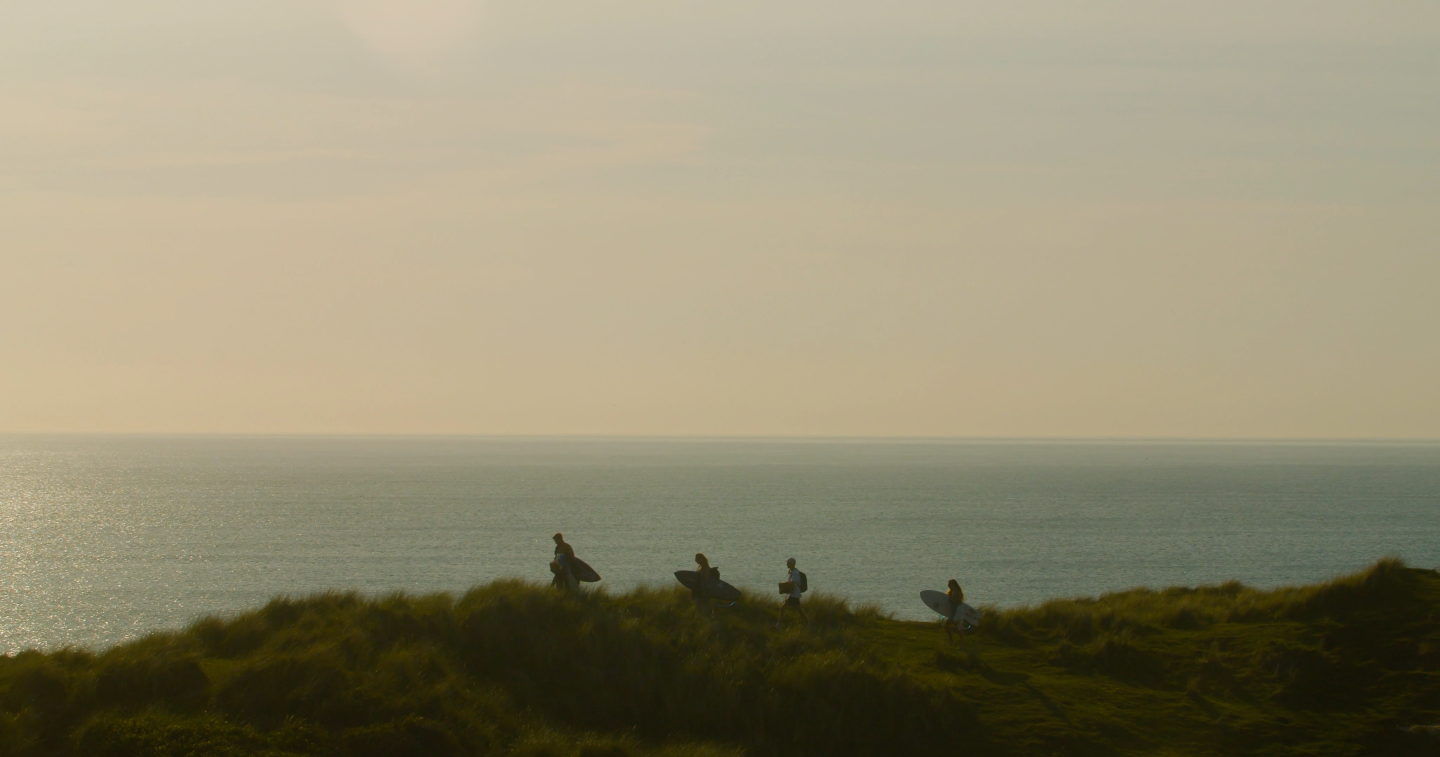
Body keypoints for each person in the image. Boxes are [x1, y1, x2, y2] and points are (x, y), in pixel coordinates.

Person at [776, 557, 809, 629]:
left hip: (794, 595)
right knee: (799, 610)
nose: (786, 564)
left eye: (788, 563)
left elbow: (793, 583)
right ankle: (809, 623)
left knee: (783, 608)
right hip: (794, 594)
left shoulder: (795, 572)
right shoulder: (792, 572)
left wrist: (783, 587)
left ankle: (778, 625)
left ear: (791, 564)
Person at [944, 578, 966, 644]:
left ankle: (951, 640)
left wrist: (951, 600)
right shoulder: (952, 592)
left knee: (947, 626)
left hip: (958, 611)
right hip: (955, 611)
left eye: (949, 583)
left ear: (953, 584)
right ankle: (961, 641)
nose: (948, 585)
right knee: (958, 628)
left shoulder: (957, 592)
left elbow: (958, 602)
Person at [691, 553, 714, 618]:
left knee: (704, 608)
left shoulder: (705, 568)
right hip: (697, 590)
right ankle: (701, 621)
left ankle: (706, 622)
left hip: (702, 591)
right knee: (698, 608)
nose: (696, 560)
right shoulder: (699, 567)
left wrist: (704, 592)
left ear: (701, 559)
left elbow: (706, 580)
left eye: (697, 559)